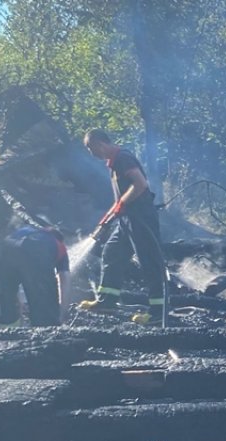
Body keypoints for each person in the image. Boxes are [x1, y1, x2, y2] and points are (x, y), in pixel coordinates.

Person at [78, 128, 165, 325]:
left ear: (100, 144)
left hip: (141, 219)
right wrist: (105, 220)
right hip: (128, 220)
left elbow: (140, 184)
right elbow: (120, 202)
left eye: (91, 149)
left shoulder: (123, 158)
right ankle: (107, 300)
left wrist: (121, 206)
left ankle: (158, 311)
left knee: (150, 263)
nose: (91, 154)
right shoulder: (114, 164)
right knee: (112, 252)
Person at [0, 226, 69, 326]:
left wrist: (17, 304)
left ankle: (9, 329)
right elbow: (65, 279)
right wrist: (63, 313)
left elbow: (11, 277)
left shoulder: (26, 231)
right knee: (45, 308)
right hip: (34, 249)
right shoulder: (58, 244)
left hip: (1, 251)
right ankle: (45, 331)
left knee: (7, 300)